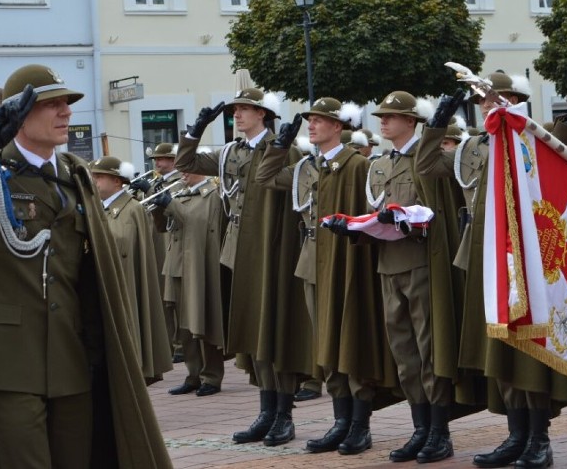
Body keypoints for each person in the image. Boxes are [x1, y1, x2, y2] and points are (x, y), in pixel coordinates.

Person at [0, 64, 171, 469]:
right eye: (52, 104)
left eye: (67, 103)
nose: (66, 112)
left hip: (71, 357)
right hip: (4, 361)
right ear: (18, 114)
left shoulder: (75, 177)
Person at [417, 73, 567, 469]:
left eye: (492, 97)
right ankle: (515, 435)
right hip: (485, 256)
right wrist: (436, 124)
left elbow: (561, 151)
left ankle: (538, 439)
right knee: (498, 349)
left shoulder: (532, 136)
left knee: (529, 350)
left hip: (527, 258)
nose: (485, 104)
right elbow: (427, 166)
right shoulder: (474, 146)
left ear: (514, 99)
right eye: (480, 99)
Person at [257, 97, 398, 456]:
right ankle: (340, 420)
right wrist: (280, 143)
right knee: (326, 342)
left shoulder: (356, 165)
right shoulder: (308, 166)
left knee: (351, 337)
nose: (311, 125)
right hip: (313, 262)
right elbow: (266, 177)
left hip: (347, 261)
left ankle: (359, 425)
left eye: (319, 120)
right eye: (309, 119)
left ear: (338, 126)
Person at [175, 88, 310, 447]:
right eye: (235, 109)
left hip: (270, 248)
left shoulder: (284, 149)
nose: (237, 115)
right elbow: (186, 164)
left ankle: (283, 414)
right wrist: (195, 131)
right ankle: (265, 410)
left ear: (263, 115)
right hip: (235, 250)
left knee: (272, 330)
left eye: (246, 109)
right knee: (252, 333)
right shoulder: (230, 153)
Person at [366, 91, 464, 464]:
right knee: (404, 354)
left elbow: (437, 211)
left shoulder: (427, 159)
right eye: (382, 115)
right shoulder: (378, 165)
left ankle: (440, 431)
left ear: (411, 121)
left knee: (428, 349)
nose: (384, 121)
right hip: (388, 263)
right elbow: (374, 210)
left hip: (421, 263)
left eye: (392, 115)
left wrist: (407, 219)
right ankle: (420, 428)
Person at [88, 156, 172, 385]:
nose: (93, 181)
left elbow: (141, 257)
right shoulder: (96, 209)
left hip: (126, 285)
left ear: (117, 181)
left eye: (99, 177)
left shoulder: (133, 209)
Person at [150, 170, 225, 397]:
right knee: (182, 324)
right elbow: (163, 227)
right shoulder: (180, 193)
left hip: (197, 265)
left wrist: (171, 204)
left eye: (186, 168)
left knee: (201, 320)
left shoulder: (211, 195)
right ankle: (193, 374)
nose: (181, 173)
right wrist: (157, 204)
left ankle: (211, 376)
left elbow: (197, 223)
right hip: (176, 263)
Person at [133, 142, 183, 363]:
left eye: (161, 159)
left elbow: (171, 202)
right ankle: (169, 343)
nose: (157, 163)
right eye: (155, 159)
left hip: (168, 238)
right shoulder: (159, 181)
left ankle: (179, 343)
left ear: (173, 161)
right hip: (155, 237)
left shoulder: (179, 180)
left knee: (170, 294)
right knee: (162, 295)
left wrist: (149, 189)